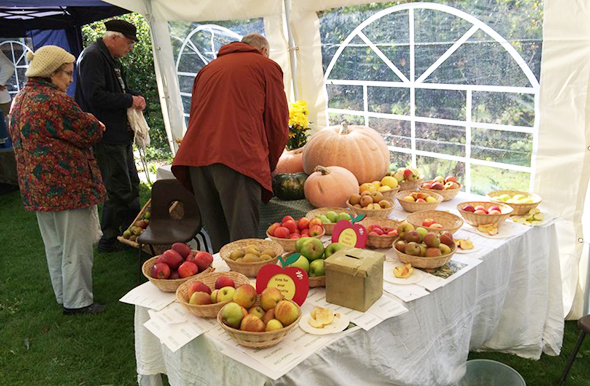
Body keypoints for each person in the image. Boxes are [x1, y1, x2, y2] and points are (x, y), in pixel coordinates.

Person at [9, 45, 107, 315]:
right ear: (50, 74)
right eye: (66, 73)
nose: (70, 79)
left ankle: (64, 295)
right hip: (66, 187)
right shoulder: (54, 100)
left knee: (54, 245)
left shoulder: (20, 99)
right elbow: (88, 131)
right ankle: (78, 302)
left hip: (38, 187)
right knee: (76, 246)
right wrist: (95, 123)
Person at [171, 33, 289, 253]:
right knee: (244, 246)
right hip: (237, 159)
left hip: (196, 158)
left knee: (220, 242)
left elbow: (196, 112)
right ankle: (245, 285)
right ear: (263, 51)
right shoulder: (266, 66)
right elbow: (277, 123)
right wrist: (269, 165)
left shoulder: (207, 69)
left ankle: (221, 285)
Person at [75, 19, 146, 253]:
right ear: (113, 38)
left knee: (129, 184)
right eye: (129, 43)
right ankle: (119, 237)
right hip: (105, 134)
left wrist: (135, 96)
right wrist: (129, 100)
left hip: (119, 132)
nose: (131, 48)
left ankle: (123, 233)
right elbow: (95, 96)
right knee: (118, 187)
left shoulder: (111, 58)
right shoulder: (93, 56)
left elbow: (120, 90)